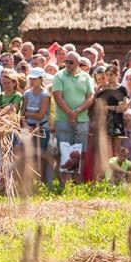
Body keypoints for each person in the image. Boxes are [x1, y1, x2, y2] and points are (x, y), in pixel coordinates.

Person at [51, 51, 95, 183]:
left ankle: (78, 183)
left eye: (71, 62)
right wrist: (70, 113)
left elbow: (91, 97)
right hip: (63, 120)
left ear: (78, 63)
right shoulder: (59, 76)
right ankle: (64, 183)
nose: (68, 65)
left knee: (80, 152)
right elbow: (57, 97)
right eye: (66, 62)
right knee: (64, 151)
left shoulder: (86, 77)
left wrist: (77, 111)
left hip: (82, 120)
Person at [22, 68, 53, 184]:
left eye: (34, 79)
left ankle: (41, 180)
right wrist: (26, 124)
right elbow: (22, 114)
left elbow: (40, 116)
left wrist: (28, 114)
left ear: (41, 79)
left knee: (41, 155)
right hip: (29, 127)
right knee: (28, 155)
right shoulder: (27, 93)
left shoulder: (45, 95)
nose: (32, 81)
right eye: (31, 78)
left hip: (42, 128)